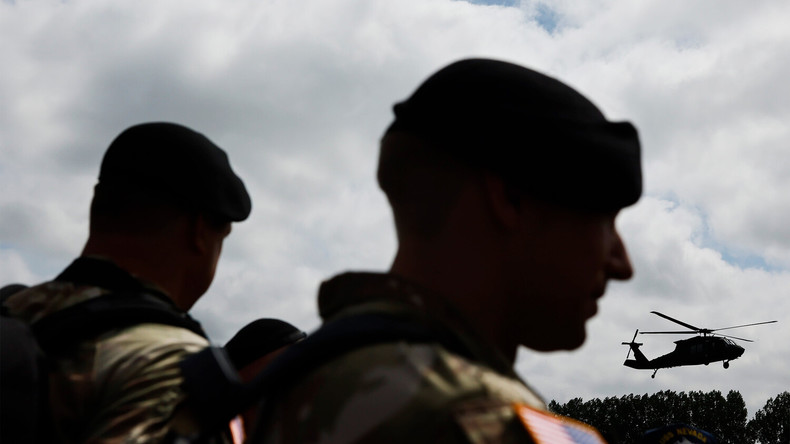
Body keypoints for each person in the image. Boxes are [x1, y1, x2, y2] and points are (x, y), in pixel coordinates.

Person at [251, 58, 642, 443]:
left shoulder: (280, 391)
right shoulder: (482, 420)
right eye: (606, 221)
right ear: (510, 199)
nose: (622, 265)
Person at [2, 122, 252, 443]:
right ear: (199, 232)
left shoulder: (14, 311)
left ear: (97, 206)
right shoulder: (170, 365)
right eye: (222, 238)